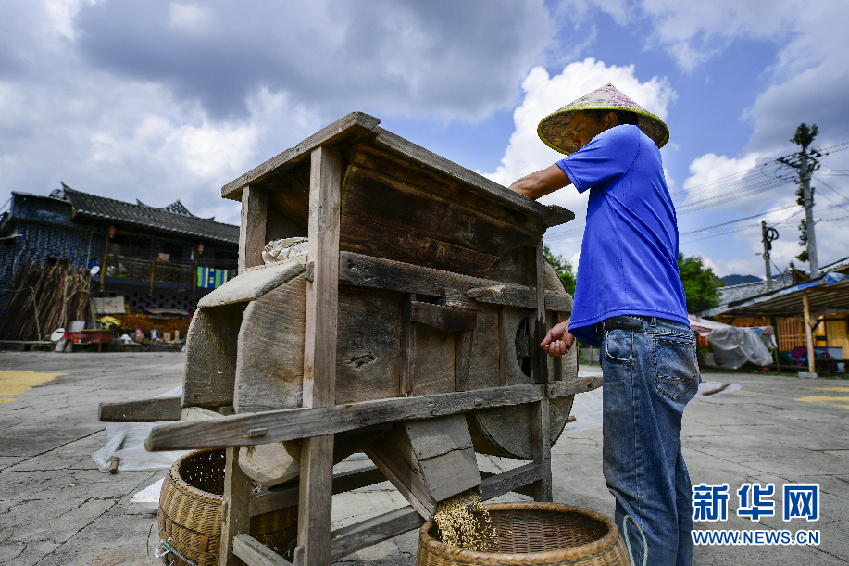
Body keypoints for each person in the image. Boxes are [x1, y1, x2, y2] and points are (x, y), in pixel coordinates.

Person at [508, 84, 700, 566]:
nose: (575, 142)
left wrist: (475, 201)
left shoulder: (627, 139)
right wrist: (574, 323)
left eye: (580, 131)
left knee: (637, 484)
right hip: (659, 336)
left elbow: (533, 185)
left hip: (642, 340)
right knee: (664, 478)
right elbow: (622, 273)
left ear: (610, 119)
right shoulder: (631, 188)